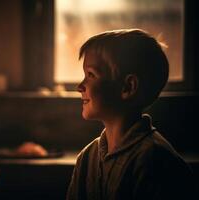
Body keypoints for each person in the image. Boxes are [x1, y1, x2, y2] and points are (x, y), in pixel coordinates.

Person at [66, 29, 196, 200]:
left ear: (128, 87)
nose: (79, 87)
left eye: (91, 75)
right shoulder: (87, 158)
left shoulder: (156, 162)